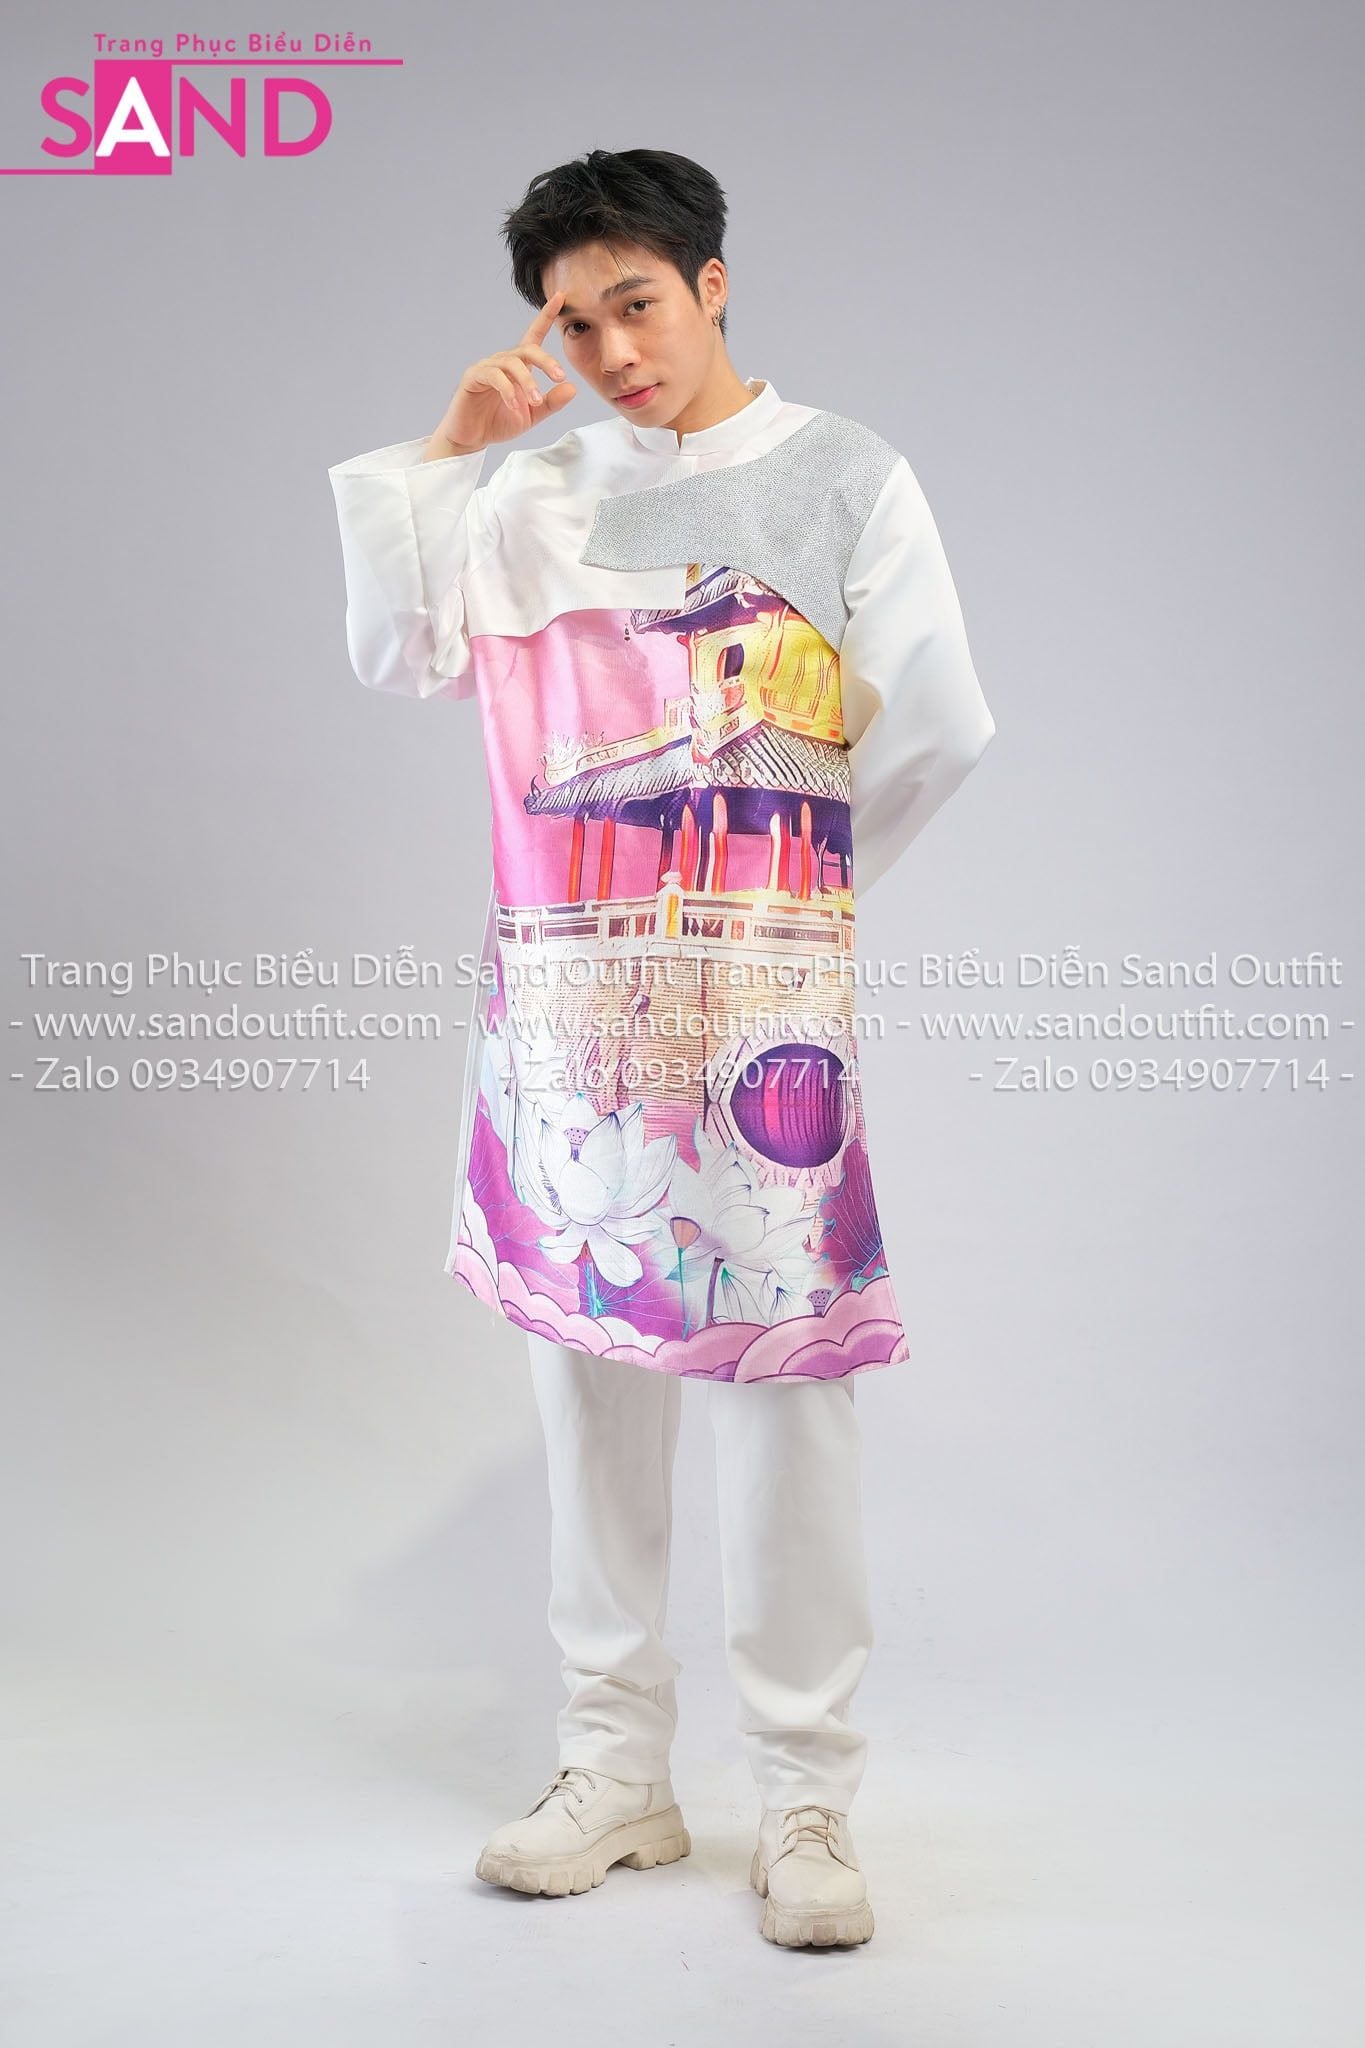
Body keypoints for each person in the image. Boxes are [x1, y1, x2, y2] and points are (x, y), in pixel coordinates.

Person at [328, 148, 994, 1949]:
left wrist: (787, 910)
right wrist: (451, 447)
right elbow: (399, 650)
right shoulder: (528, 495)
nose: (612, 350)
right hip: (564, 1009)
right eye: (572, 321)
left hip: (759, 1008)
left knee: (784, 1384)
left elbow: (929, 721)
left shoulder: (840, 473)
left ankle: (803, 1797)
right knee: (585, 1369)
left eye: (635, 303)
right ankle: (612, 1768)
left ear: (710, 283)